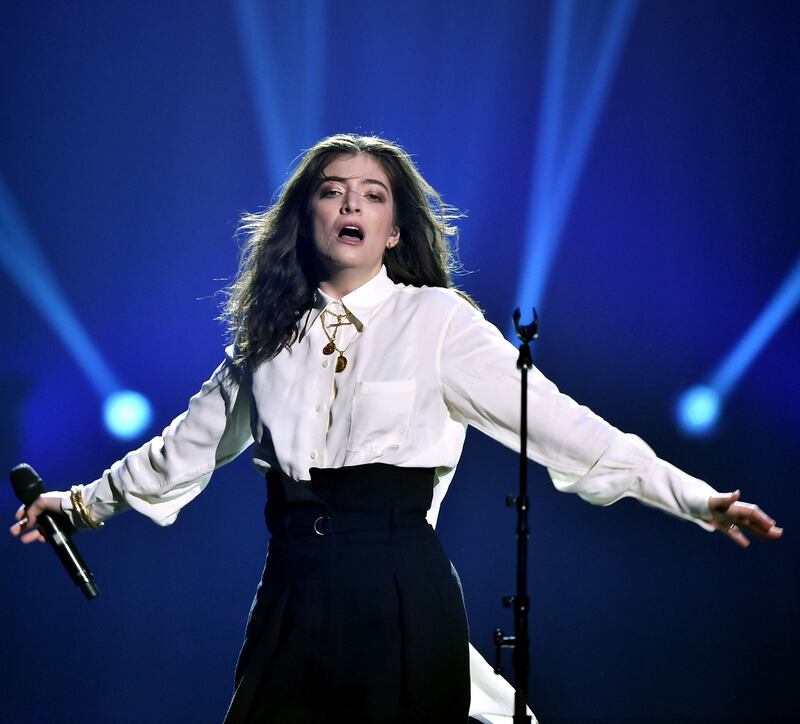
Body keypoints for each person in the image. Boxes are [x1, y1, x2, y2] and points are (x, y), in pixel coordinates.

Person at [10, 134, 783, 723]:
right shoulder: (265, 339)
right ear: (304, 219)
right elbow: (182, 449)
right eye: (333, 191)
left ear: (393, 230)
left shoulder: (437, 322)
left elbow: (563, 427)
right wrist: (78, 505)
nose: (351, 205)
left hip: (400, 590)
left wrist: (694, 498)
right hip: (290, 591)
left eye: (372, 195)